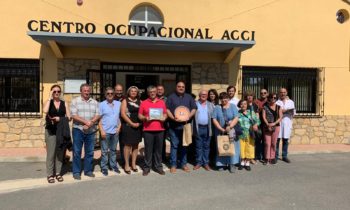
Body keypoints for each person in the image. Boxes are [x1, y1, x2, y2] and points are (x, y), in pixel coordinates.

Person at [166, 81, 197, 173]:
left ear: (185, 88)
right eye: (179, 86)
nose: (181, 88)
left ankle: (184, 164)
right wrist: (173, 118)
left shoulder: (189, 97)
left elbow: (194, 108)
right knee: (174, 146)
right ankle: (173, 165)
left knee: (184, 145)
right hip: (174, 125)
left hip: (185, 126)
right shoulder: (171, 97)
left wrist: (189, 116)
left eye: (182, 87)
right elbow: (167, 109)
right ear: (176, 87)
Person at [71, 83, 100, 180]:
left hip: (91, 130)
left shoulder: (95, 102)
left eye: (88, 90)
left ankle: (88, 171)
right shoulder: (75, 101)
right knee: (77, 151)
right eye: (85, 90)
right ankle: (76, 172)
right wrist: (86, 122)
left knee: (90, 152)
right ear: (81, 91)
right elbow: (73, 115)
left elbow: (98, 114)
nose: (87, 92)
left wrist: (91, 122)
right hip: (78, 129)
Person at [43, 84, 71, 183]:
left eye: (58, 91)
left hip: (61, 131)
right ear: (51, 92)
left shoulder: (64, 103)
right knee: (51, 154)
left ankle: (58, 173)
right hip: (50, 131)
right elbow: (45, 111)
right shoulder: (48, 102)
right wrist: (50, 98)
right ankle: (50, 174)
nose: (56, 93)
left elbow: (69, 117)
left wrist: (60, 119)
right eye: (54, 91)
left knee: (59, 153)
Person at [138, 85, 168, 176]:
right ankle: (147, 167)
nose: (152, 93)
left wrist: (164, 118)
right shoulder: (144, 103)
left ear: (156, 92)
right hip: (148, 130)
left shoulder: (162, 102)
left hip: (160, 129)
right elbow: (139, 116)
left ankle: (158, 166)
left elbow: (165, 113)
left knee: (158, 150)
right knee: (148, 150)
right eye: (150, 92)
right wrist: (145, 118)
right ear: (148, 93)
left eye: (154, 91)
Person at [212, 92, 239, 173]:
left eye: (225, 98)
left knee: (232, 146)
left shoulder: (233, 106)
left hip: (231, 131)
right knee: (221, 146)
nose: (224, 100)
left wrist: (230, 127)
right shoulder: (217, 107)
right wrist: (221, 129)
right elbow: (214, 119)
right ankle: (221, 164)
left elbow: (236, 117)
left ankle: (232, 164)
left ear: (228, 99)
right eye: (222, 98)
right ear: (220, 99)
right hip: (220, 131)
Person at [98, 87, 121, 176]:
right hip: (105, 131)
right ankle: (104, 167)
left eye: (112, 93)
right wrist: (101, 130)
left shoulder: (119, 104)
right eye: (108, 93)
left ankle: (113, 165)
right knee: (104, 151)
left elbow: (120, 117)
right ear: (105, 95)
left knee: (113, 150)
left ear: (114, 94)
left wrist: (119, 127)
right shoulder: (101, 104)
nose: (110, 95)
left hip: (115, 131)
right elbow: (99, 119)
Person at [120, 86, 142, 174]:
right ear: (128, 92)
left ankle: (133, 164)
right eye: (131, 91)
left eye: (135, 91)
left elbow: (144, 112)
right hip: (128, 126)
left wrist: (140, 123)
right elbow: (123, 114)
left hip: (138, 126)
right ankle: (126, 164)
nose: (133, 92)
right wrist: (131, 123)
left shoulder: (141, 101)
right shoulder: (125, 101)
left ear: (137, 93)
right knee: (127, 145)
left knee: (136, 145)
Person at [193, 90, 214, 171]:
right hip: (198, 128)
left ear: (207, 96)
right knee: (198, 147)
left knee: (206, 147)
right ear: (199, 95)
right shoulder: (195, 104)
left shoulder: (211, 105)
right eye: (202, 94)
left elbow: (214, 116)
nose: (203, 95)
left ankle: (205, 163)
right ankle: (198, 162)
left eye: (205, 94)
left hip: (208, 128)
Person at [237, 99, 260, 171]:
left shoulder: (251, 113)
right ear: (239, 105)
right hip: (241, 134)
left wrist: (256, 125)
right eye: (241, 104)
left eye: (245, 104)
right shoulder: (237, 113)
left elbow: (258, 121)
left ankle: (247, 162)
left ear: (247, 105)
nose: (243, 105)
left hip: (250, 133)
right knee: (242, 148)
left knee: (249, 148)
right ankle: (242, 162)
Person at [276, 88, 296, 163]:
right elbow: (276, 113)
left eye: (284, 92)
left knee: (285, 140)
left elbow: (293, 112)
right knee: (277, 140)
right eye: (281, 92)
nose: (283, 93)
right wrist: (282, 111)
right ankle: (276, 156)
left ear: (286, 93)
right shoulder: (276, 102)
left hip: (287, 123)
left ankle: (284, 156)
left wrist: (285, 111)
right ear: (279, 93)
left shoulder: (291, 102)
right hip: (279, 123)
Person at [262, 93, 283, 165]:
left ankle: (272, 157)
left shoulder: (279, 107)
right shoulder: (265, 107)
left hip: (276, 126)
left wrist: (274, 123)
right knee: (267, 143)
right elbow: (263, 117)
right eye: (272, 97)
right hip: (267, 126)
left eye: (275, 98)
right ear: (269, 98)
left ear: (276, 99)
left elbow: (280, 117)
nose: (273, 99)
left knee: (274, 143)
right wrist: (268, 124)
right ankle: (266, 158)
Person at [245, 90, 260, 164]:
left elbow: (257, 115)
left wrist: (256, 124)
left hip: (253, 126)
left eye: (251, 95)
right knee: (246, 142)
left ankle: (252, 157)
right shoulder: (244, 104)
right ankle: (246, 157)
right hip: (246, 126)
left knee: (253, 143)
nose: (249, 97)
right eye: (248, 95)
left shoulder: (255, 105)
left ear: (253, 97)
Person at [114, 83, 125, 164]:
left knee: (123, 144)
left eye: (120, 90)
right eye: (117, 90)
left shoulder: (126, 99)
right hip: (113, 125)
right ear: (115, 91)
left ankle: (124, 161)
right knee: (112, 145)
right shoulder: (110, 98)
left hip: (124, 124)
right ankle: (112, 162)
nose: (119, 92)